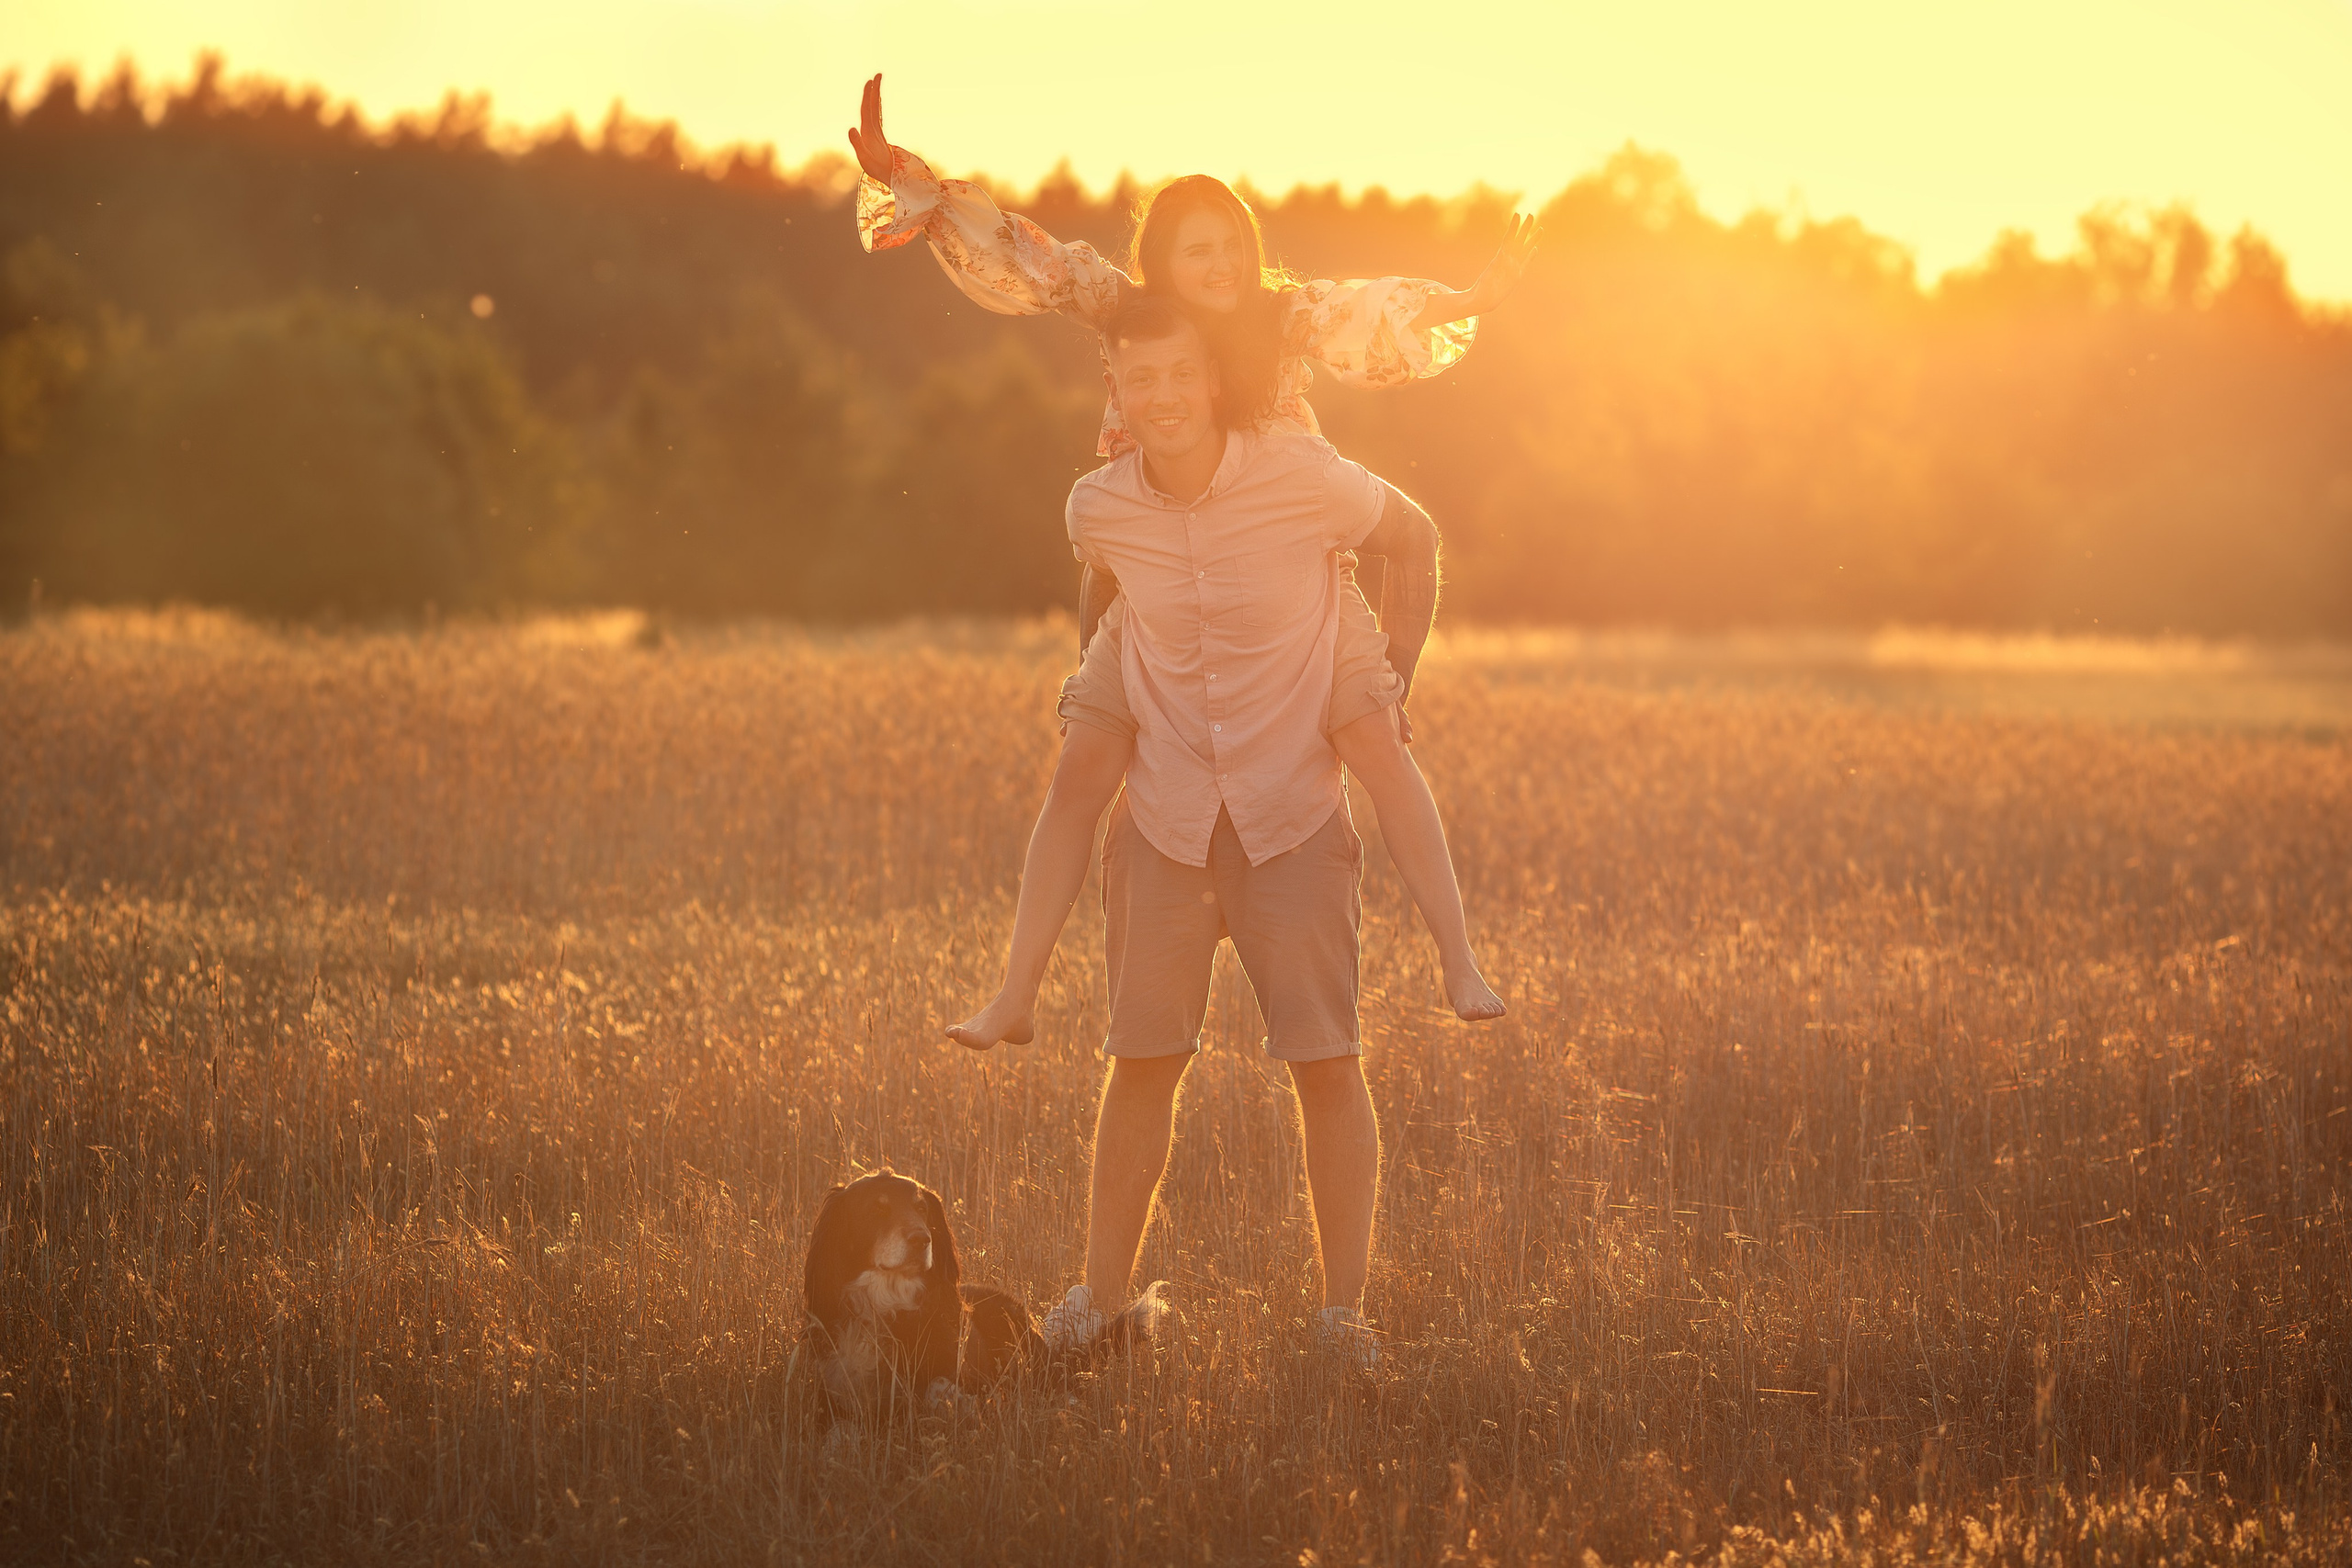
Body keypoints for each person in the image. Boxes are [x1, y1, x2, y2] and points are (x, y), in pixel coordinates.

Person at [847, 75, 1530, 1029]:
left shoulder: (1284, 314)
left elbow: (1362, 312)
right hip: (1162, 571)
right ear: (1157, 261)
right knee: (1085, 758)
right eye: (1196, 250)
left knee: (1373, 739)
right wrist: (908, 180)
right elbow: (1027, 255)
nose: (1220, 265)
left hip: (1292, 576)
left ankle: (1459, 964)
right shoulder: (1120, 307)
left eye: (1233, 248)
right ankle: (1015, 995)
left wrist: (1468, 296)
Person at [1023, 293, 1413, 1366]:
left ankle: (1342, 1318)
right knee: (1140, 1059)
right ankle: (1099, 1302)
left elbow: (1408, 538)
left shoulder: (1291, 470)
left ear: (1213, 378)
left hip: (1291, 809)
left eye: (1177, 374)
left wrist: (1387, 685)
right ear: (1113, 387)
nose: (1158, 395)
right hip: (1167, 812)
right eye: (1135, 379)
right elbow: (1110, 594)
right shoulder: (1097, 505)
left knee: (1326, 1059)